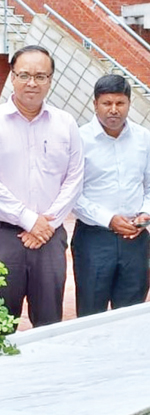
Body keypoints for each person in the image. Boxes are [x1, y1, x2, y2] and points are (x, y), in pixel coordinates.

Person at [0, 45, 84, 328]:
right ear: (12, 76)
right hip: (2, 238)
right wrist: (28, 219)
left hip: (49, 237)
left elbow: (74, 178)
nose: (32, 83)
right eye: (24, 75)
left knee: (49, 323)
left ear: (50, 79)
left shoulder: (66, 123)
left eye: (41, 76)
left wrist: (46, 224)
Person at [72, 74, 150, 317]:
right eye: (107, 103)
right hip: (94, 239)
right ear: (95, 104)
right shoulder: (78, 139)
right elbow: (72, 193)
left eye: (120, 103)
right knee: (90, 313)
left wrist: (145, 215)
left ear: (129, 103)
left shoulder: (144, 139)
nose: (114, 110)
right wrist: (109, 219)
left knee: (131, 315)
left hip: (136, 241)